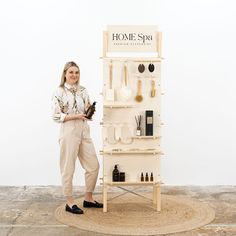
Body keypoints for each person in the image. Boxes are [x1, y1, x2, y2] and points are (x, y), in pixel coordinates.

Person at [52, 61, 103, 214]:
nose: (74, 75)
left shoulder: (83, 90)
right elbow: (56, 115)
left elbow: (87, 107)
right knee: (68, 167)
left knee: (93, 166)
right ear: (65, 74)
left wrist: (89, 110)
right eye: (71, 72)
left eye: (77, 72)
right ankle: (69, 202)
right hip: (68, 130)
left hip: (84, 129)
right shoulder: (59, 91)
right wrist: (76, 115)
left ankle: (88, 198)